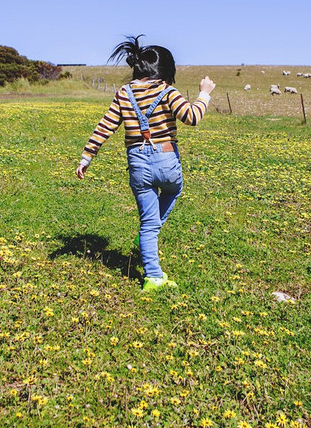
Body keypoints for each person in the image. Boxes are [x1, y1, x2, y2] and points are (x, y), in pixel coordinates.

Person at [76, 36, 215, 292]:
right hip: (166, 160)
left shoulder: (124, 93)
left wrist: (87, 157)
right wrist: (204, 94)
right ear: (166, 71)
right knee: (174, 190)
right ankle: (149, 236)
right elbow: (192, 117)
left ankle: (153, 275)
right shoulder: (168, 91)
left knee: (147, 222)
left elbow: (105, 126)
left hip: (137, 163)